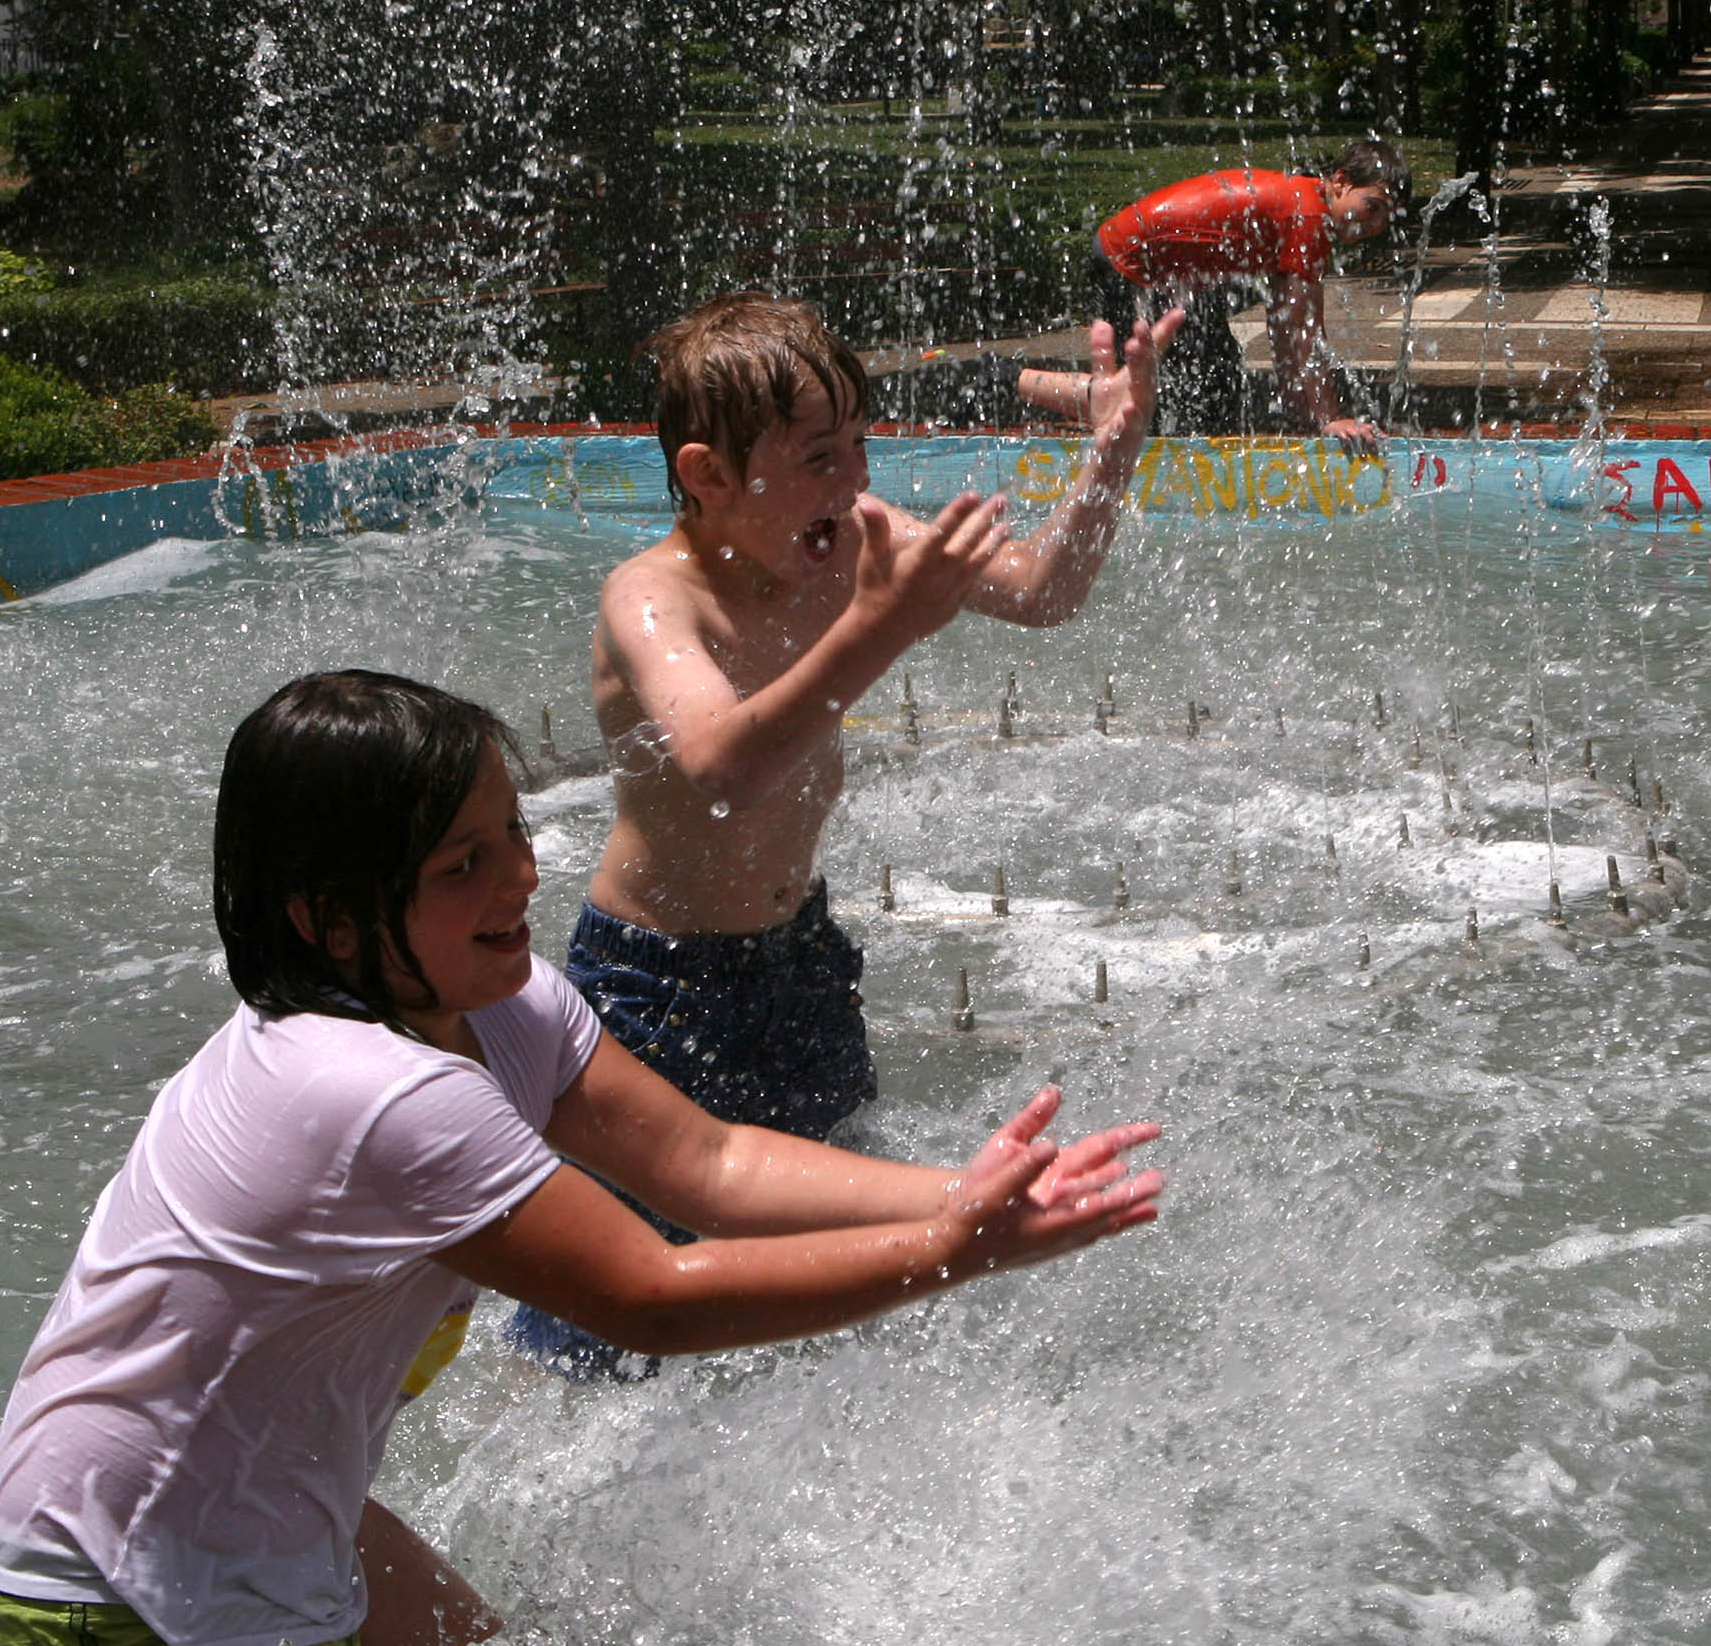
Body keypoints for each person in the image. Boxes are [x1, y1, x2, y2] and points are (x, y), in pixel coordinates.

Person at [0, 671, 1161, 1646]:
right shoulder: (370, 1095)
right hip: (106, 1594)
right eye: (459, 867)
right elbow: (651, 1293)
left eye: (512, 836)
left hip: (235, 1512)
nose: (521, 879)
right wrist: (951, 1257)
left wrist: (959, 1193)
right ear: (325, 920)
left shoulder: (494, 1004)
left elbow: (708, 1162)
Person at [508, 290, 1176, 1379]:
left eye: (860, 446)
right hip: (653, 991)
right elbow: (722, 768)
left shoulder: (844, 549)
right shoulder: (652, 600)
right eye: (819, 457)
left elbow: (1048, 593)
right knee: (613, 1327)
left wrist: (1112, 450)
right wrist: (881, 625)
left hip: (798, 960)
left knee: (831, 1280)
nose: (855, 483)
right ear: (708, 478)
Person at [1015, 139, 1406, 453]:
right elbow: (1306, 337)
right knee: (1136, 398)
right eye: (1371, 206)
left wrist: (1301, 414)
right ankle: (1005, 378)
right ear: (1339, 181)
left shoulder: (1305, 206)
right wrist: (1330, 418)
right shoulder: (1307, 218)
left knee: (1216, 387)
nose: (1374, 224)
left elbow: (1285, 328)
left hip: (1169, 273)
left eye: (1385, 218)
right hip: (1130, 263)